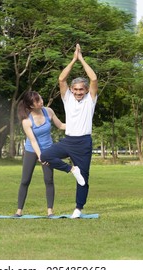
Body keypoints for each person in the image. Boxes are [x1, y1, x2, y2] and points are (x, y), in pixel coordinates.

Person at [40, 44, 98, 219]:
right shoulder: (68, 99)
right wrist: (73, 60)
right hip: (68, 141)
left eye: (82, 89)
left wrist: (82, 59)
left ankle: (78, 209)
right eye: (76, 89)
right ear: (72, 90)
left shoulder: (90, 100)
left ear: (86, 90)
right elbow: (61, 79)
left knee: (84, 178)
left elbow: (94, 79)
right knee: (45, 156)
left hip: (84, 143)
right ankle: (71, 170)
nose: (79, 92)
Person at [14, 91, 65, 218]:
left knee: (49, 180)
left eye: (40, 98)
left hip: (48, 148)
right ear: (31, 106)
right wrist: (41, 157)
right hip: (32, 150)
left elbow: (61, 125)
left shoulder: (49, 111)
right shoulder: (26, 121)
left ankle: (50, 211)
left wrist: (78, 127)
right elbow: (33, 141)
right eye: (37, 101)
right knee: (25, 180)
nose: (41, 102)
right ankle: (19, 211)